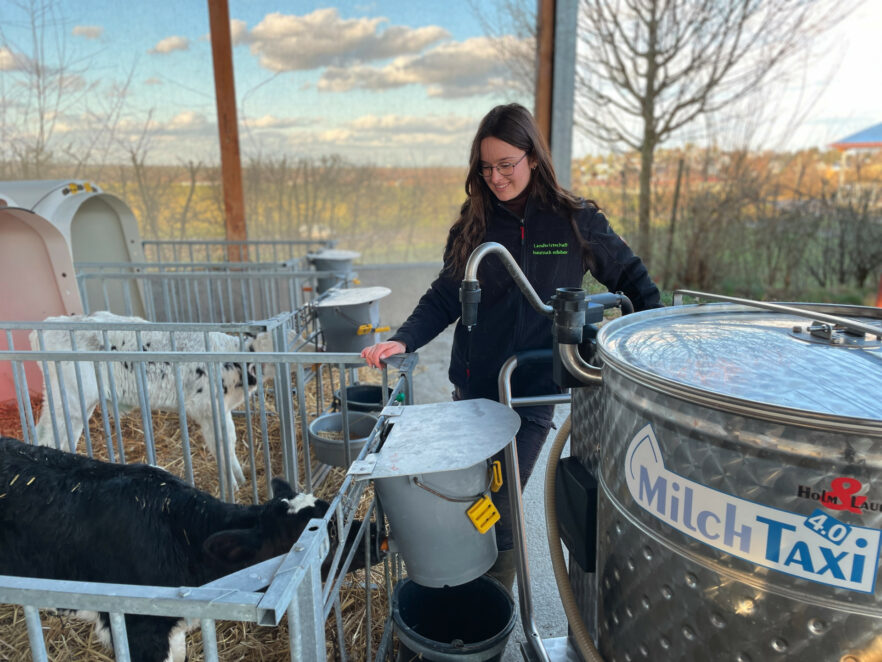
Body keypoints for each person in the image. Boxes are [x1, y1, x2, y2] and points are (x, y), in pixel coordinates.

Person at [361, 103, 661, 590]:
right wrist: (403, 337)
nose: (496, 178)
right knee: (468, 494)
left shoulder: (574, 221)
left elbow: (631, 278)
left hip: (533, 391)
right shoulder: (475, 225)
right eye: (486, 167)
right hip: (476, 389)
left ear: (533, 159)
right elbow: (445, 295)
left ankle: (490, 606)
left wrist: (656, 339)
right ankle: (462, 590)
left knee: (500, 508)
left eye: (507, 165)